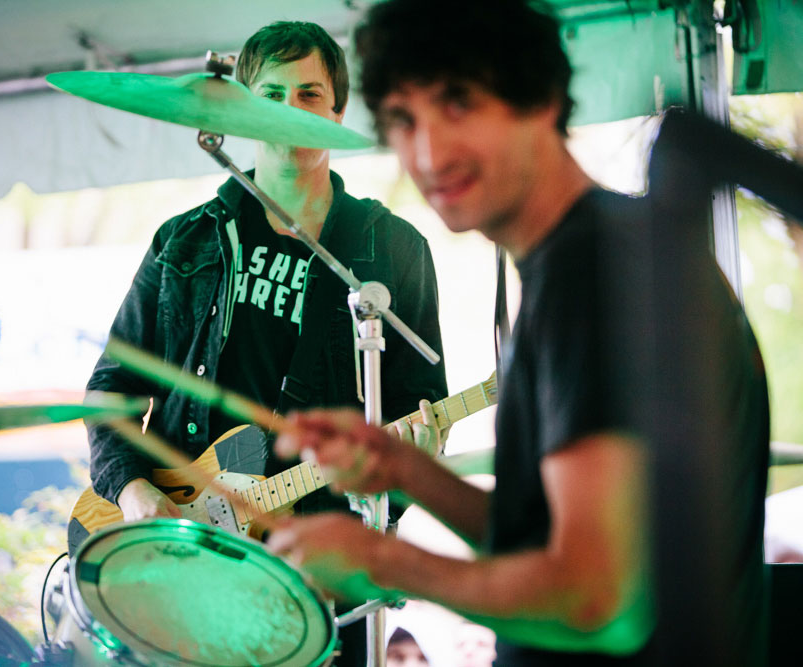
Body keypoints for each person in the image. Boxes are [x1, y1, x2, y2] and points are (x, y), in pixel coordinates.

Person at [268, 1, 770, 665]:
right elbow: (557, 545)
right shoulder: (603, 251)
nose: (428, 151)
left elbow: (597, 603)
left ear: (538, 95)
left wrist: (382, 559)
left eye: (458, 103)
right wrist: (405, 469)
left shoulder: (588, 273)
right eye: (404, 120)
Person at [85, 19, 448, 666]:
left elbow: (421, 407)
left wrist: (397, 498)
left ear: (336, 111)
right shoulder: (186, 240)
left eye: (310, 95)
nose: (291, 111)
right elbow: (111, 390)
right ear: (245, 107)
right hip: (185, 566)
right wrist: (138, 494)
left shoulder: (390, 248)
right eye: (271, 96)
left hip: (316, 576)